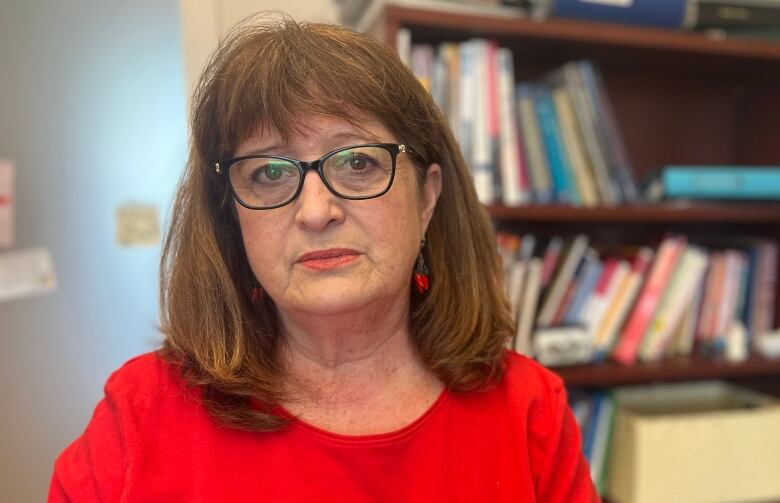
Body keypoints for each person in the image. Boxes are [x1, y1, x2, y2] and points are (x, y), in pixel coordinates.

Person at [50, 14, 599, 502]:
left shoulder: (529, 412)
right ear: (230, 216)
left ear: (428, 197)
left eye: (357, 162)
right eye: (270, 173)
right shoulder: (140, 417)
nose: (316, 211)